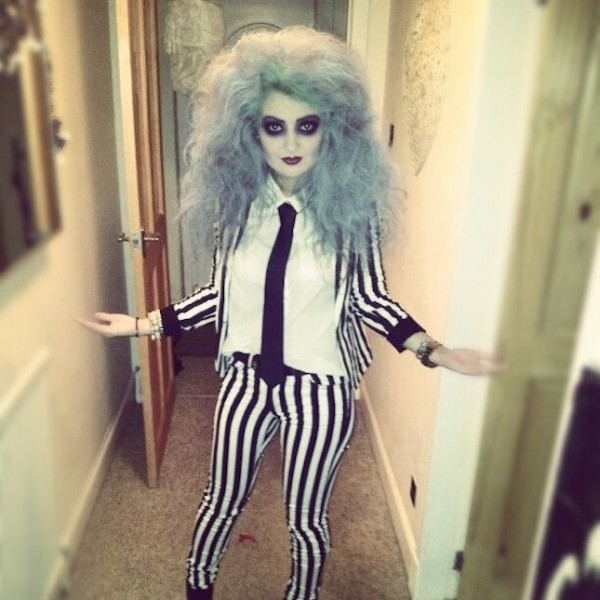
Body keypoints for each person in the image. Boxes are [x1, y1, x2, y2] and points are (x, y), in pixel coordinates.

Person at [79, 26, 501, 600]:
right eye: (273, 126)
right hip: (246, 381)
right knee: (219, 500)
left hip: (321, 389)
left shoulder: (351, 219)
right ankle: (197, 587)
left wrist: (434, 350)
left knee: (306, 520)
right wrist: (140, 324)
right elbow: (218, 296)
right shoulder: (237, 211)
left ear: (333, 128)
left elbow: (370, 299)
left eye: (307, 124)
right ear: (249, 131)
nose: (290, 142)